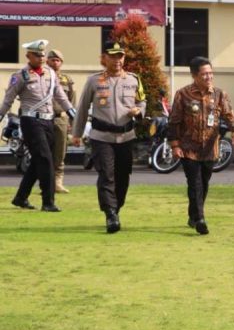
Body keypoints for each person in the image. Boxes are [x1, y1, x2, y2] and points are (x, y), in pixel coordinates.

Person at [71, 42, 146, 233]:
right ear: (104, 58)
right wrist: (77, 134)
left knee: (123, 177)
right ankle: (110, 213)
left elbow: (142, 101)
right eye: (113, 56)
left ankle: (116, 208)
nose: (117, 60)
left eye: (120, 56)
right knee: (106, 174)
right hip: (102, 137)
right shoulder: (94, 81)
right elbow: (82, 108)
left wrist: (139, 111)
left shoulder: (134, 80)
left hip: (126, 137)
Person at [167, 57, 234, 235]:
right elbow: (174, 121)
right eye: (204, 74)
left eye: (210, 73)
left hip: (210, 148)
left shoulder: (219, 94)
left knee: (204, 183)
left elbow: (229, 115)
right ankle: (200, 219)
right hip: (188, 148)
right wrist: (175, 145)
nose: (209, 77)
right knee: (195, 183)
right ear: (194, 75)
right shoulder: (183, 94)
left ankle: (193, 215)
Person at [1, 39, 75, 212]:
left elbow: (60, 96)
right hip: (31, 121)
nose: (41, 58)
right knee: (45, 159)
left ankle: (20, 197)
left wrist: (73, 114)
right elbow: (8, 99)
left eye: (42, 55)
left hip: (49, 121)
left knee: (37, 161)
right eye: (37, 55)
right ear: (28, 56)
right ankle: (48, 201)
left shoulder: (51, 74)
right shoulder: (20, 76)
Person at [46, 49, 76, 194]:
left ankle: (57, 182)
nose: (55, 62)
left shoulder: (66, 80)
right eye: (52, 60)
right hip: (44, 119)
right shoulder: (41, 77)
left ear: (61, 63)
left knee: (60, 152)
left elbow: (72, 102)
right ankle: (45, 183)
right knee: (44, 152)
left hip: (61, 119)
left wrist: (72, 124)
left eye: (58, 60)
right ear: (47, 61)